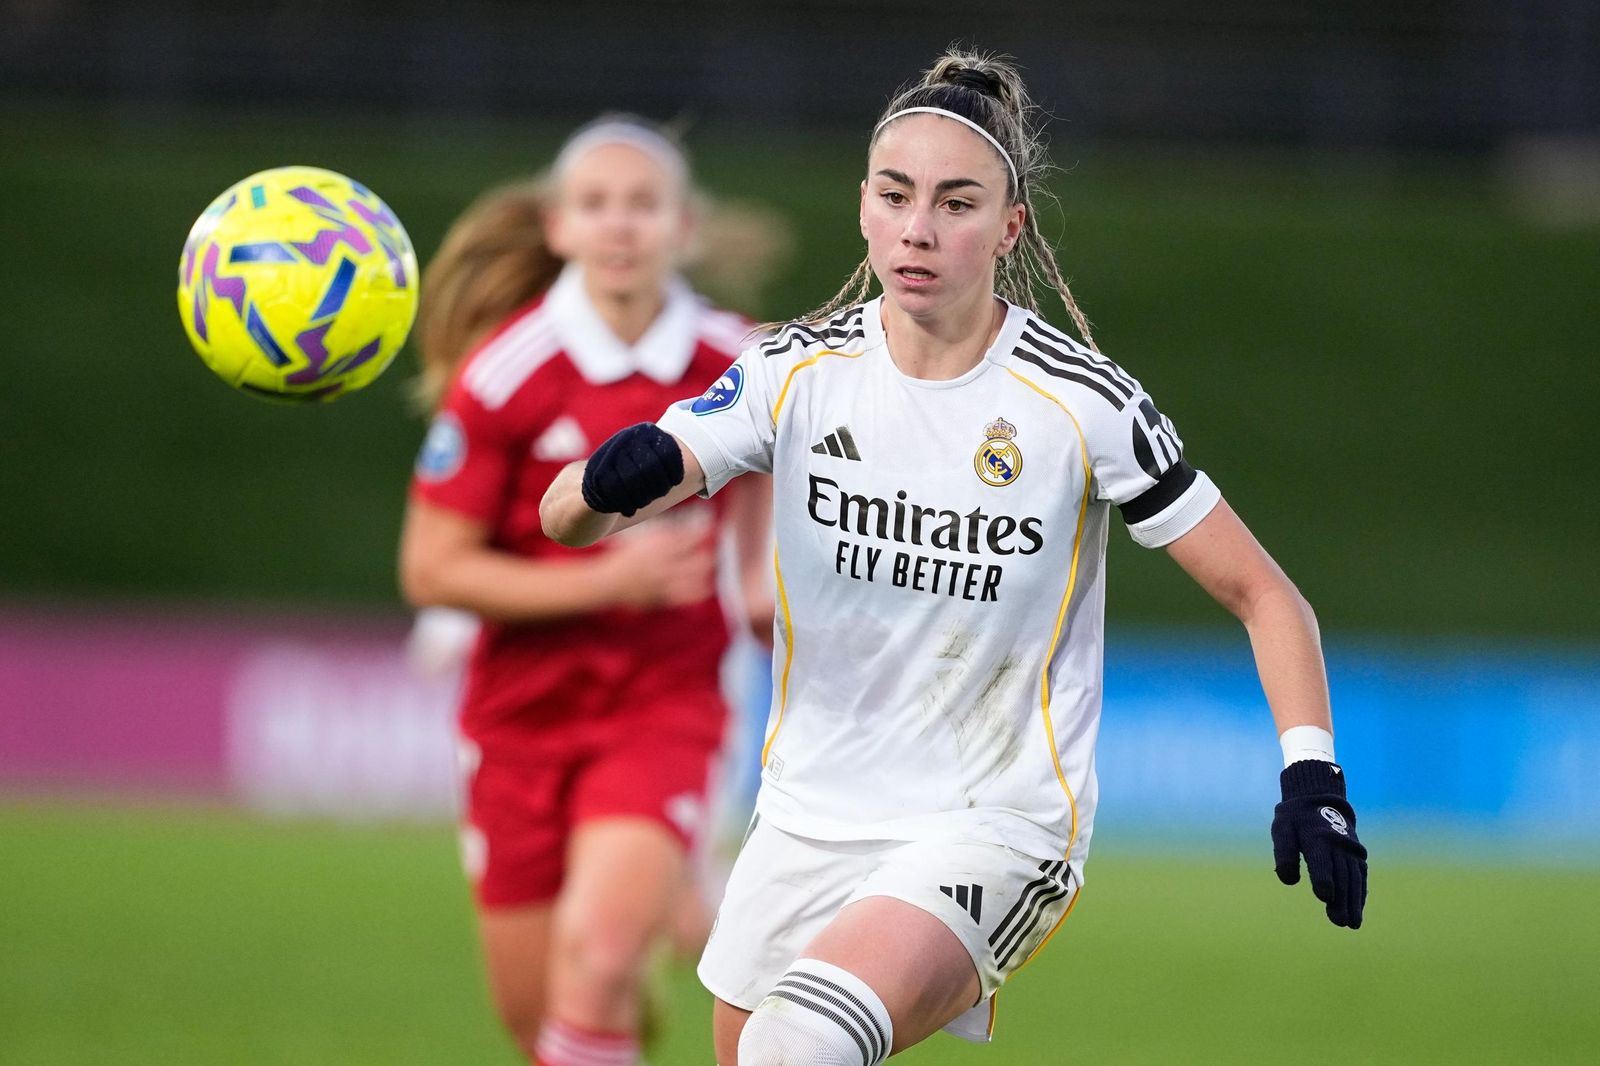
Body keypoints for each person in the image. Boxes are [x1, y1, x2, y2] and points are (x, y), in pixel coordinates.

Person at [541, 51, 1370, 1066]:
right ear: (862, 206)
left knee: (794, 1045)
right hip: (805, 816)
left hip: (995, 822)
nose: (918, 228)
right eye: (895, 196)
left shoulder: (1084, 403)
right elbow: (562, 518)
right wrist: (602, 483)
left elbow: (1265, 595)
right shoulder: (791, 373)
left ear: (1010, 227)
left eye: (956, 202)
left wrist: (1312, 776)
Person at [399, 116, 773, 1066]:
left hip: (667, 703)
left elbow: (788, 475)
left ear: (684, 227)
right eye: (596, 204)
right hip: (520, 716)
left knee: (600, 959)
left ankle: (630, 954)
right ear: (558, 227)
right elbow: (432, 569)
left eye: (643, 204)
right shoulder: (505, 373)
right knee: (540, 1024)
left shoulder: (744, 362)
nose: (620, 224)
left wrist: (759, 581)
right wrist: (607, 579)